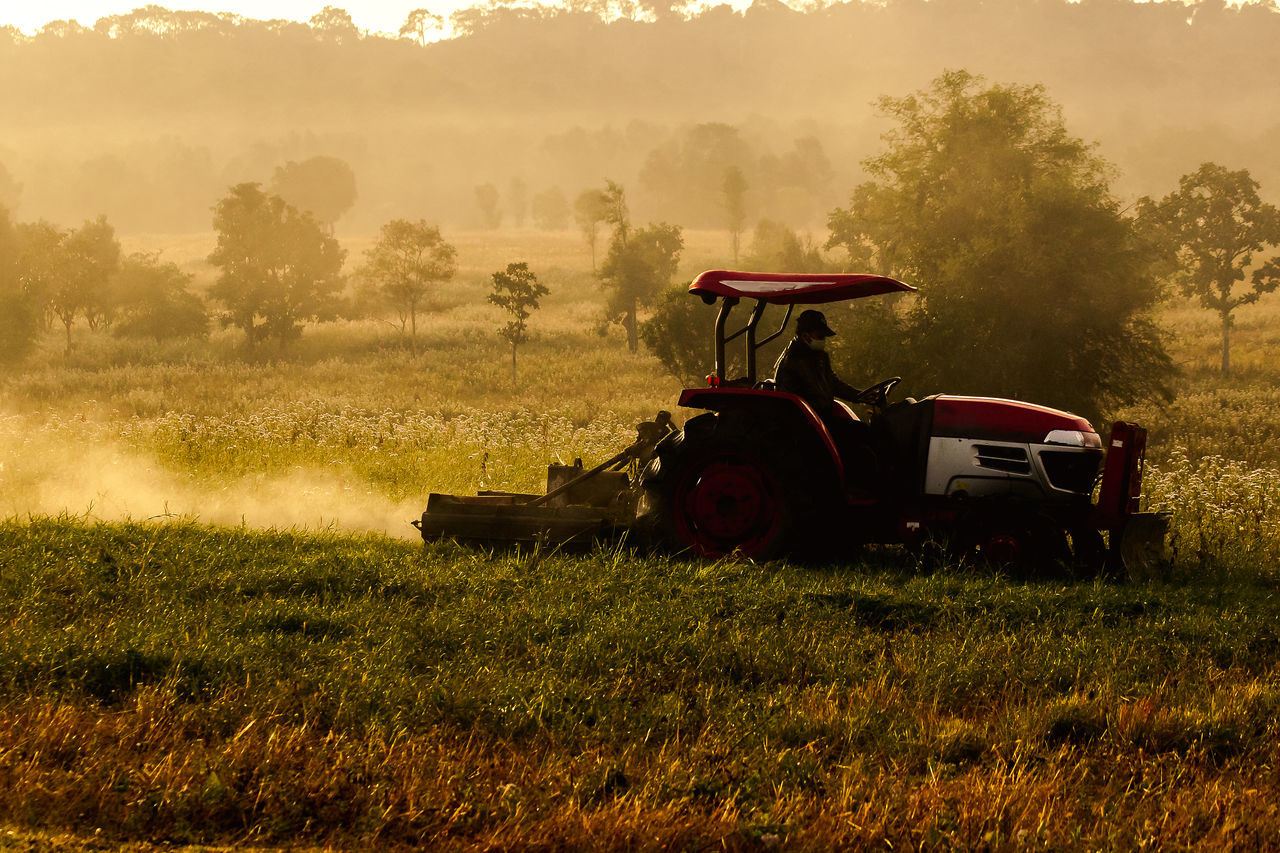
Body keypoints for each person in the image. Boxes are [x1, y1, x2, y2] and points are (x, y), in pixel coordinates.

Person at [772, 309, 862, 417]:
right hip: (804, 420)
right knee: (859, 431)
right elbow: (815, 395)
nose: (823, 340)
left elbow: (832, 383)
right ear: (805, 336)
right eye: (820, 336)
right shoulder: (795, 360)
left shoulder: (819, 357)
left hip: (820, 416)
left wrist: (860, 395)